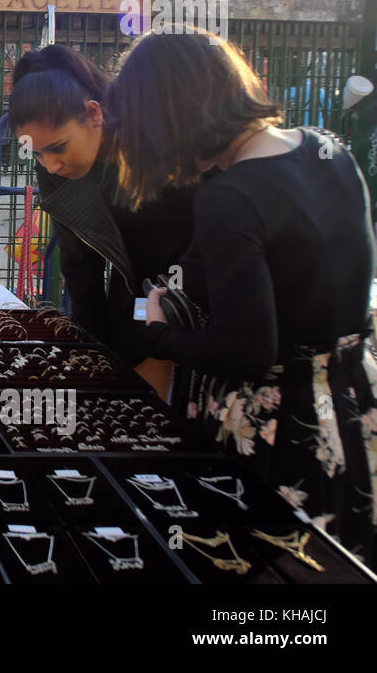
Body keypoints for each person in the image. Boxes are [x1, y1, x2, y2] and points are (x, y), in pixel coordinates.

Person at [107, 29, 376, 565]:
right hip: (352, 404)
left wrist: (160, 334)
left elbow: (246, 352)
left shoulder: (230, 199)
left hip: (278, 433)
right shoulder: (330, 150)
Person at [8, 44, 200, 394]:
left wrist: (149, 341)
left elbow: (162, 269)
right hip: (133, 287)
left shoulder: (152, 146)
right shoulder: (57, 171)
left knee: (155, 403)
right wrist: (90, 353)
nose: (50, 165)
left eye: (58, 148)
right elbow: (80, 267)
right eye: (37, 154)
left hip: (190, 285)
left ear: (94, 114)